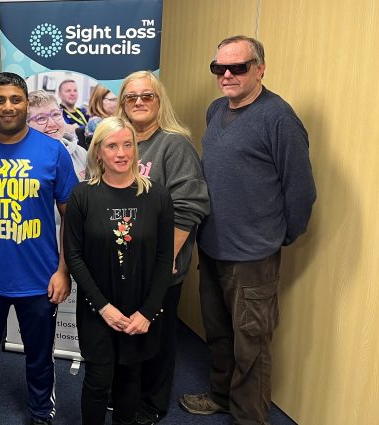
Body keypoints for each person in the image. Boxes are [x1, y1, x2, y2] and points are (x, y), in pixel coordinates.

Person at [179, 36, 316, 425]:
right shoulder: (215, 109)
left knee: (251, 346)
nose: (226, 75)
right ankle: (221, 397)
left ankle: (249, 418)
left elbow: (301, 191)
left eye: (237, 67)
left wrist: (278, 236)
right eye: (219, 67)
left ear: (260, 68)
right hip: (213, 247)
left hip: (253, 257)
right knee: (219, 334)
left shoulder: (279, 118)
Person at [0, 72, 78, 425]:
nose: (8, 106)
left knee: (39, 354)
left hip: (39, 277)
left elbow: (71, 215)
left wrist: (63, 269)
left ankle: (40, 409)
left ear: (25, 104)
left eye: (15, 99)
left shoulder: (53, 152)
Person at [63, 116, 174, 425]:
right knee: (98, 380)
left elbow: (166, 258)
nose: (122, 153)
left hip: (140, 309)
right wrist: (103, 307)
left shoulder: (158, 196)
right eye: (112, 146)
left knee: (130, 378)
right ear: (98, 152)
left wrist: (148, 312)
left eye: (128, 145)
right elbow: (74, 256)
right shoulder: (83, 195)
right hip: (98, 308)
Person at [117, 70, 210, 424]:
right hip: (123, 263)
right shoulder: (120, 141)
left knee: (156, 334)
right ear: (122, 104)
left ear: (159, 102)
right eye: (131, 97)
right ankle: (126, 393)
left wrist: (166, 258)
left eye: (147, 96)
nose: (139, 102)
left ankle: (153, 403)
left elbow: (190, 205)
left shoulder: (174, 144)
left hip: (160, 263)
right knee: (124, 329)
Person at [27, 89, 87, 181]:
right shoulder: (21, 163)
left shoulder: (80, 153)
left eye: (55, 114)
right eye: (41, 118)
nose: (52, 123)